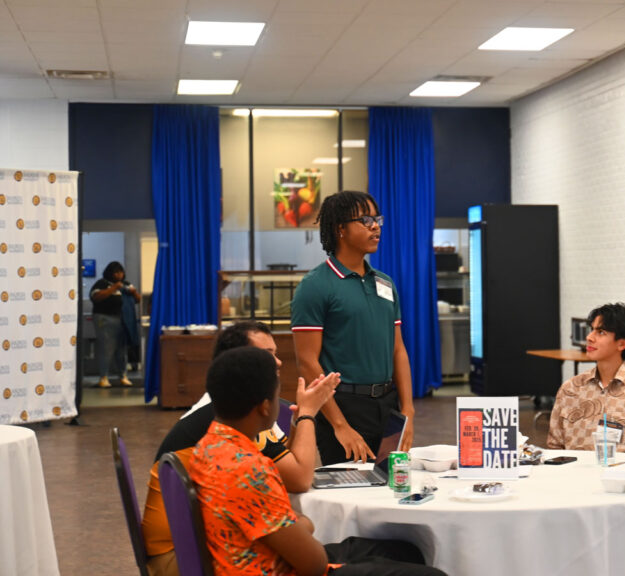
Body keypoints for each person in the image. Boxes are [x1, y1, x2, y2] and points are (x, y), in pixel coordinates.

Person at [192, 346, 444, 576]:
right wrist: (305, 524)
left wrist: (300, 526)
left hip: (252, 557)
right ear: (265, 407)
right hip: (279, 569)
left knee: (405, 551)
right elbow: (314, 563)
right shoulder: (248, 469)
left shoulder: (208, 446)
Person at [141, 321, 339, 576]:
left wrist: (296, 418)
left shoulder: (224, 409)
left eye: (276, 354)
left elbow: (283, 473)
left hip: (188, 536)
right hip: (180, 553)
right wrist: (309, 414)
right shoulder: (237, 419)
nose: (278, 363)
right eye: (266, 356)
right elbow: (299, 479)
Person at [291, 191, 416, 465]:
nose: (375, 226)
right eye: (365, 220)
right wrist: (339, 425)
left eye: (377, 219)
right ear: (340, 229)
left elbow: (398, 349)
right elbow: (308, 362)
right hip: (343, 404)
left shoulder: (384, 282)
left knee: (388, 485)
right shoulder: (315, 286)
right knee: (349, 490)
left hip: (387, 405)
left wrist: (407, 409)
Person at [547, 302, 625, 455]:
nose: (589, 337)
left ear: (622, 343)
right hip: (572, 477)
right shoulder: (570, 388)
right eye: (592, 330)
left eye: (601, 332)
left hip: (623, 478)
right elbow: (554, 450)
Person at [88, 261, 140, 387]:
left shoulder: (126, 284)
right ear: (110, 273)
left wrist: (133, 292)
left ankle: (123, 376)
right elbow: (96, 297)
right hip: (105, 319)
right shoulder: (102, 283)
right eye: (116, 272)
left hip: (122, 320)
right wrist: (113, 288)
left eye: (121, 272)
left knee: (122, 350)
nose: (119, 275)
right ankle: (103, 377)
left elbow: (138, 300)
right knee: (106, 349)